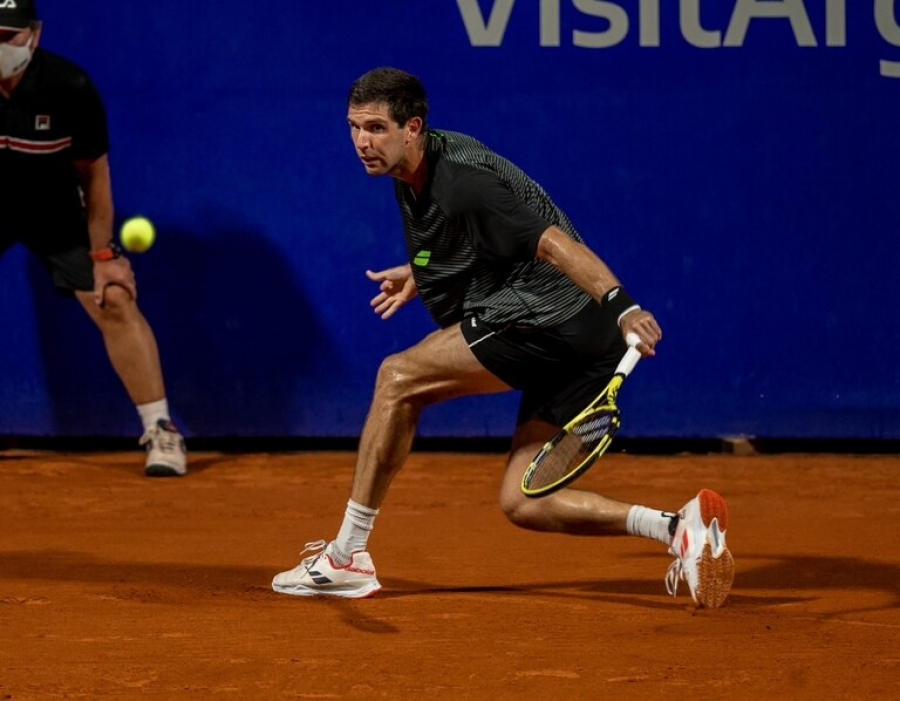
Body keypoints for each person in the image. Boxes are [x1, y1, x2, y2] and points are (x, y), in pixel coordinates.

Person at [272, 67, 733, 606]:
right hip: (581, 342)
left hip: (549, 320)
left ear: (412, 127)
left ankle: (347, 555)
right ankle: (680, 528)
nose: (361, 142)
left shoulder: (461, 180)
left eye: (375, 128)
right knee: (524, 500)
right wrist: (422, 274)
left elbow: (551, 243)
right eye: (353, 127)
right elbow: (484, 245)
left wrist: (622, 305)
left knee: (397, 378)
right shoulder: (417, 172)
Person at [0, 1, 187, 476]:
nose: (2, 46)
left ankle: (161, 431)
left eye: (11, 36)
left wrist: (102, 255)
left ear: (34, 35)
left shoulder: (69, 87)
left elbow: (95, 176)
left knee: (115, 298)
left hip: (57, 213)